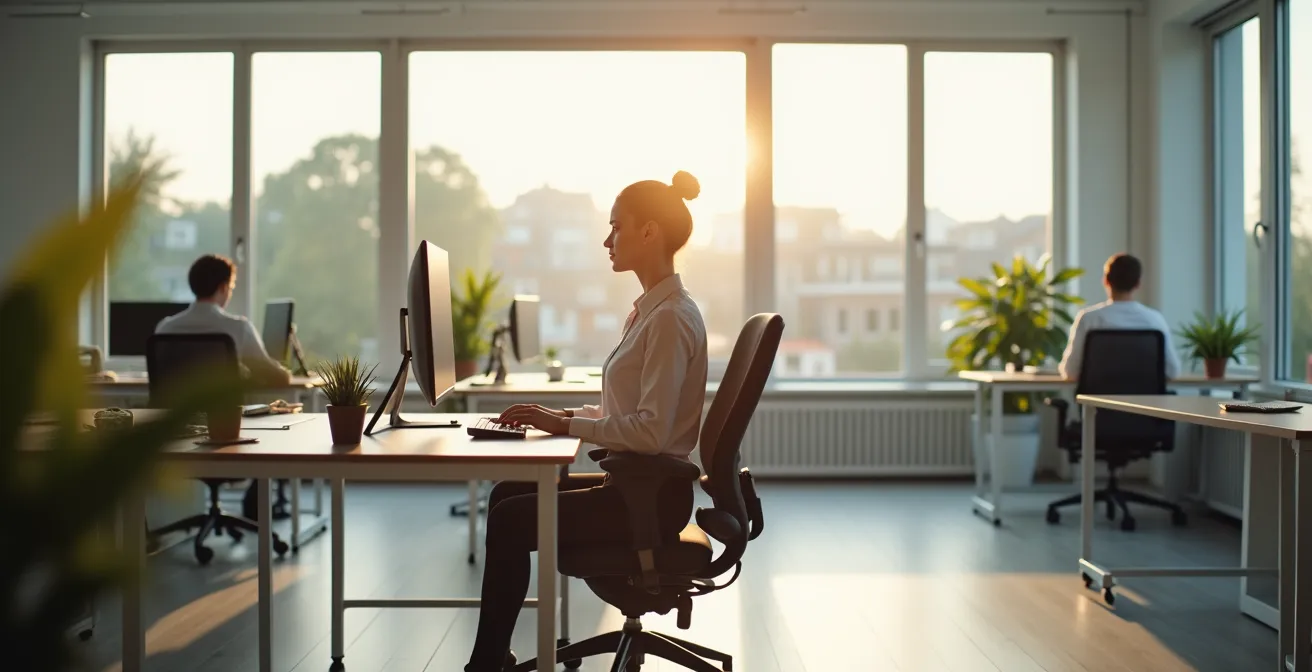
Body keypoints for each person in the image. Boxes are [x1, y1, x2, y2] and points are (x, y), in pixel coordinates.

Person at [465, 171, 709, 672]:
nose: (606, 240)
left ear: (649, 233)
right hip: (639, 485)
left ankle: (485, 665)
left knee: (511, 519)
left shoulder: (667, 319)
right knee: (507, 494)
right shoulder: (650, 311)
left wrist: (566, 428)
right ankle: (492, 656)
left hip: (648, 499)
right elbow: (631, 412)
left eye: (616, 227)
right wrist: (563, 417)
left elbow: (649, 431)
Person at [155, 253, 293, 519]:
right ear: (221, 287)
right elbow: (280, 379)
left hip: (175, 435)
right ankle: (257, 503)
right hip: (223, 433)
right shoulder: (236, 328)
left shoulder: (165, 327)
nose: (229, 293)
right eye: (229, 288)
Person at [1058, 253, 1181, 380]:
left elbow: (1070, 372)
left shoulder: (1089, 319)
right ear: (1138, 283)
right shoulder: (1155, 320)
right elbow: (1172, 371)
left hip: (1098, 398)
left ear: (1106, 281)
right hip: (1143, 399)